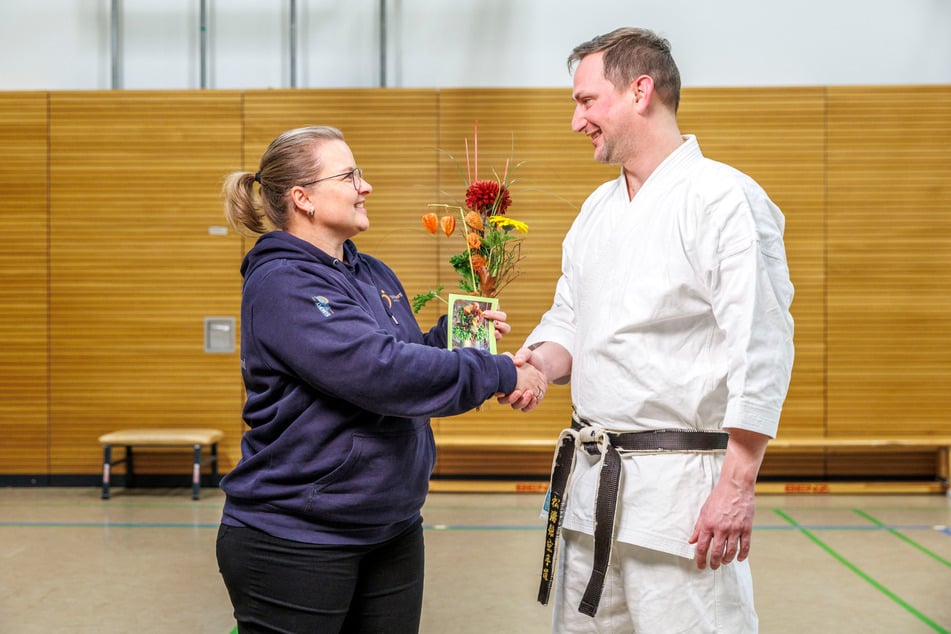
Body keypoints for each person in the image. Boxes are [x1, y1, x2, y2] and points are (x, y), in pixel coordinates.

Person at [501, 28, 795, 632]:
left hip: (682, 504)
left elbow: (761, 346)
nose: (577, 121)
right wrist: (533, 365)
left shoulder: (723, 199)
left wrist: (737, 486)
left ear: (640, 91)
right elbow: (572, 322)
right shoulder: (596, 211)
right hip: (591, 494)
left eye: (586, 101)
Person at [215, 125, 547, 633]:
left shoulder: (373, 273)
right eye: (349, 176)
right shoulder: (281, 282)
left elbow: (403, 357)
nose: (365, 186)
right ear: (303, 198)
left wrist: (452, 338)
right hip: (296, 536)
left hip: (390, 526)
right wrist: (500, 371)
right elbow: (379, 372)